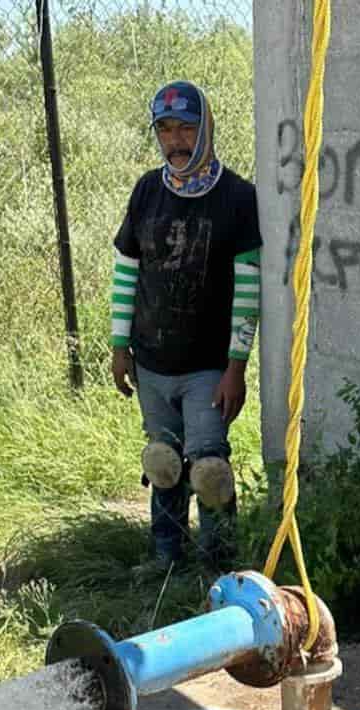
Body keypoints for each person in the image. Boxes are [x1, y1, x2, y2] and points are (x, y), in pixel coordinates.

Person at [110, 80, 262, 574]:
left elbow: (248, 286)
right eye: (166, 129)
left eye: (186, 128)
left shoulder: (238, 197)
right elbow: (127, 269)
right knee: (163, 463)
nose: (175, 141)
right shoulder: (147, 191)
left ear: (206, 130)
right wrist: (119, 345)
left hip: (208, 368)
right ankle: (166, 557)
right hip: (151, 360)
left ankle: (221, 567)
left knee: (210, 469)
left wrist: (236, 366)